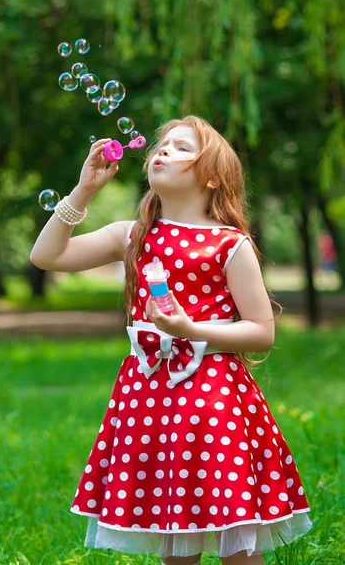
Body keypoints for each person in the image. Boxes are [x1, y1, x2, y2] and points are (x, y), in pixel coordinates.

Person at [30, 115, 313, 565]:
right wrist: (84, 191)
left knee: (234, 534)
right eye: (161, 145)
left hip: (213, 403)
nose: (162, 151)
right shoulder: (133, 235)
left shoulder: (229, 245)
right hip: (150, 400)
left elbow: (262, 332)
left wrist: (189, 331)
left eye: (181, 147)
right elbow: (46, 255)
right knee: (173, 530)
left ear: (214, 176)